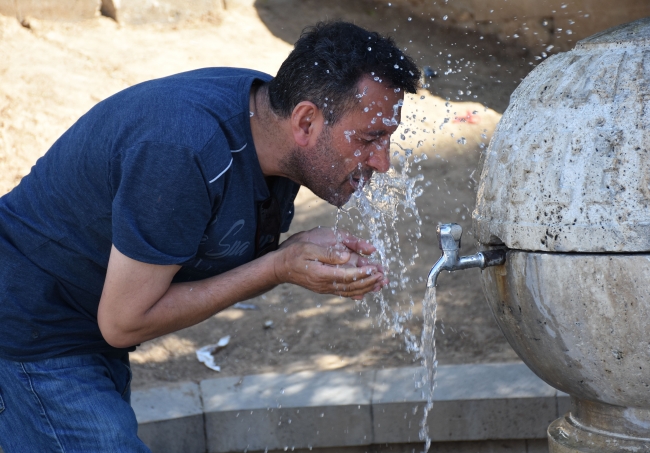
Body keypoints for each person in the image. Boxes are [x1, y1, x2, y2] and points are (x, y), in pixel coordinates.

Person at [0, 21, 420, 452]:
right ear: (306, 121)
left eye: (387, 139)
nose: (383, 162)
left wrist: (290, 256)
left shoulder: (269, 125)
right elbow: (123, 322)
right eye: (370, 138)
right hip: (30, 324)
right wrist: (277, 267)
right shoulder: (184, 152)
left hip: (78, 322)